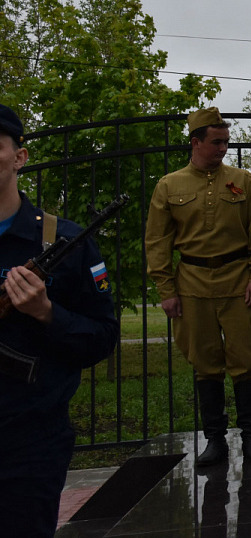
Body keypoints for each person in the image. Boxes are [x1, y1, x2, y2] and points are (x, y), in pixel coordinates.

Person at [0, 104, 119, 537]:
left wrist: (47, 314)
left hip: (28, 448)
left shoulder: (62, 242)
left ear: (20, 157)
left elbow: (103, 337)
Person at [144, 107, 251, 466]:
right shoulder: (169, 185)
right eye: (216, 142)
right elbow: (157, 241)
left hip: (238, 283)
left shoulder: (244, 181)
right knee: (205, 364)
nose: (223, 149)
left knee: (246, 362)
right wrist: (166, 290)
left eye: (226, 142)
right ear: (196, 142)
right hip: (192, 286)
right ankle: (215, 440)